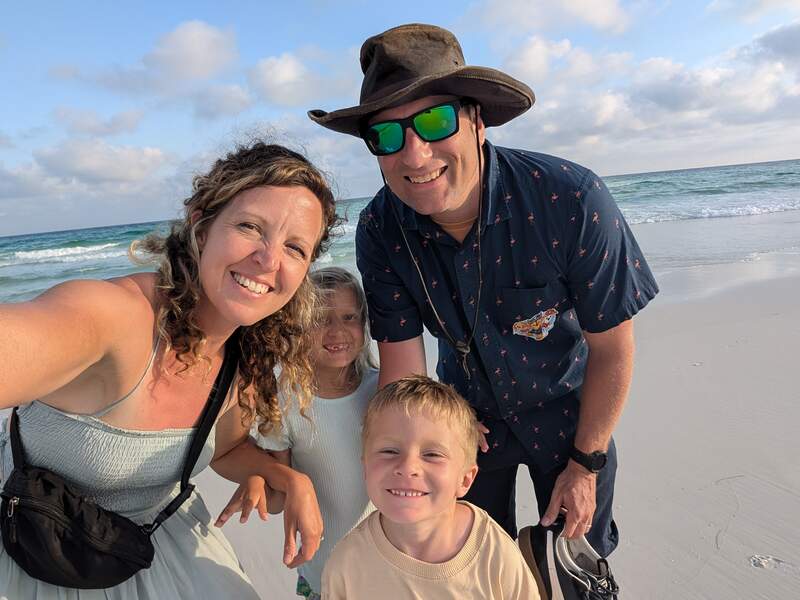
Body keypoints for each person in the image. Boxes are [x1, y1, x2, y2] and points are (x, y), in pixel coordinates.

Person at [309, 23, 659, 563]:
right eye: (387, 135)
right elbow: (403, 367)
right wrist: (408, 462)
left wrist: (586, 463)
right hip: (463, 422)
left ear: (476, 120)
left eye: (434, 121)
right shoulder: (380, 229)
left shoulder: (571, 198)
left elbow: (612, 349)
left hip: (571, 415)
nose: (415, 155)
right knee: (469, 566)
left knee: (575, 569)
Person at [0, 141, 338, 597]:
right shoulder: (117, 318)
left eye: (295, 248)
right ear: (201, 226)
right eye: (250, 227)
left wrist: (288, 479)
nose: (269, 260)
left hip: (149, 543)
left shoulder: (244, 355)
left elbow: (225, 449)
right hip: (29, 543)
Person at [216, 266, 378, 600]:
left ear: (364, 324)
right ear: (297, 329)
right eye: (320, 319)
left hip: (388, 569)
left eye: (349, 317)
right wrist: (259, 481)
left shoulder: (382, 389)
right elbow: (278, 501)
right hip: (325, 573)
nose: (337, 331)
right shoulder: (286, 401)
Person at [322, 375, 539, 599]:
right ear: (365, 468)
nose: (408, 467)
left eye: (432, 454)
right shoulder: (347, 564)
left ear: (465, 480)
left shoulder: (495, 556)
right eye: (389, 451)